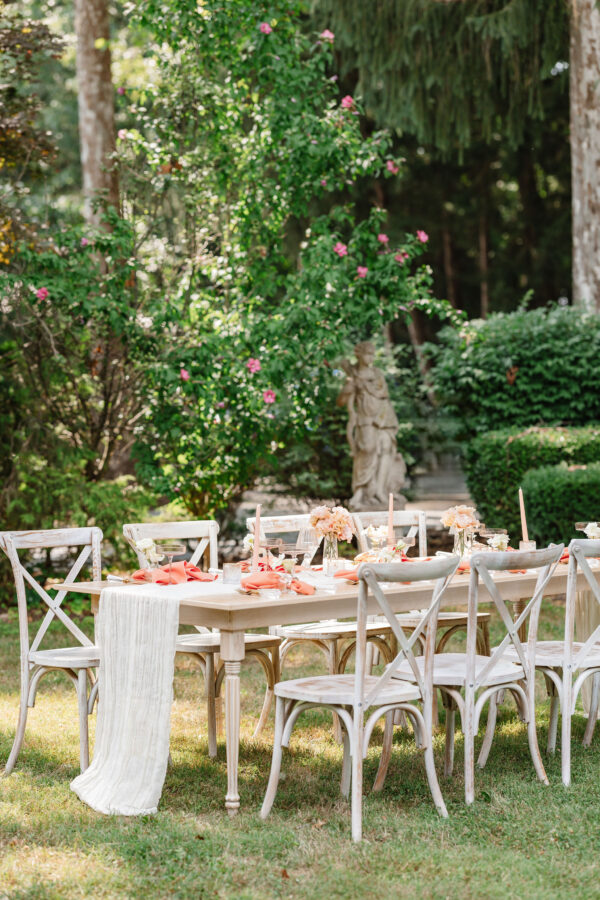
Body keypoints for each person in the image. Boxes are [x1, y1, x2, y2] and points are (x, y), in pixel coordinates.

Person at [336, 341, 402, 508]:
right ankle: (360, 490)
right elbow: (341, 402)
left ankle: (381, 491)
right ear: (359, 354)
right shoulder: (353, 375)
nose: (370, 357)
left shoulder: (377, 373)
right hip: (365, 418)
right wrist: (348, 388)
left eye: (372, 354)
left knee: (387, 447)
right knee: (367, 449)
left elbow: (384, 394)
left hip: (383, 415)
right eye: (367, 354)